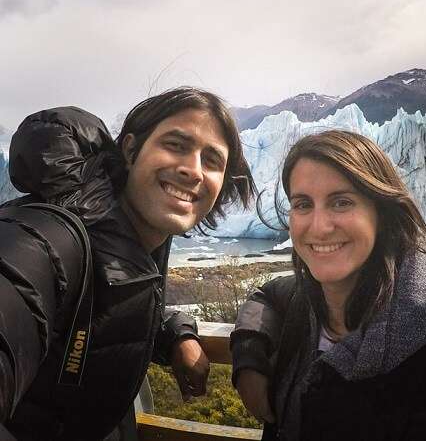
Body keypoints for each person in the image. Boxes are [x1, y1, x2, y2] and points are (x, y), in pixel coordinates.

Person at [230, 130, 426, 441]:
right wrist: (249, 353)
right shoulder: (309, 297)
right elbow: (268, 295)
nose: (319, 227)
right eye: (303, 204)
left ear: (381, 212)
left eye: (341, 202)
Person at [0, 87, 254, 440]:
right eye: (175, 145)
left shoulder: (136, 240)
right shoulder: (44, 240)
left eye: (212, 160)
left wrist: (176, 333)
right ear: (131, 150)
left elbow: (113, 299)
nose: (193, 170)